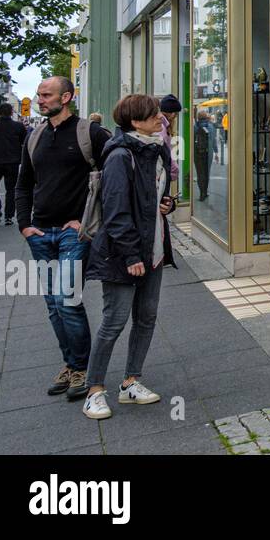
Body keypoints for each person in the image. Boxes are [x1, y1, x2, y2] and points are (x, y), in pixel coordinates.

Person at [82, 94, 177, 420]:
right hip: (124, 256)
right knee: (113, 322)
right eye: (154, 116)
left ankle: (131, 382)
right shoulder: (120, 156)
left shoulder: (157, 150)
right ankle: (94, 390)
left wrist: (168, 205)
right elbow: (115, 210)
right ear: (136, 122)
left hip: (151, 251)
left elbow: (160, 195)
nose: (160, 120)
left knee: (147, 318)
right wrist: (130, 254)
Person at [14, 77, 110, 400]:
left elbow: (114, 178)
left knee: (67, 299)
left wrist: (87, 223)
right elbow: (23, 184)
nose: (39, 100)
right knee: (53, 305)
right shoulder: (34, 136)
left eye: (46, 95)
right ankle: (71, 364)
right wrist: (24, 226)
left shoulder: (91, 134)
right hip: (40, 233)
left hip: (74, 234)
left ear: (66, 97)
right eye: (39, 94)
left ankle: (82, 368)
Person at [158, 94, 182, 185]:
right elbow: (167, 153)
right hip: (163, 173)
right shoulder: (162, 128)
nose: (175, 117)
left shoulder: (163, 126)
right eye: (176, 114)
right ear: (172, 113)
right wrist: (174, 172)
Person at [193, 111, 212, 202]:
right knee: (206, 173)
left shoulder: (195, 127)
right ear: (206, 117)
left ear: (198, 118)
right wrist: (215, 151)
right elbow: (213, 141)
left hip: (197, 153)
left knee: (200, 173)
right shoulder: (211, 127)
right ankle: (205, 191)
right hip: (208, 153)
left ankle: (201, 193)